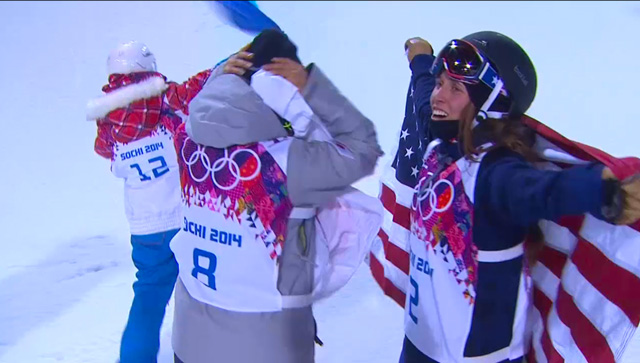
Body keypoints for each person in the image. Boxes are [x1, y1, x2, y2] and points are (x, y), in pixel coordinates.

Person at [399, 31, 640, 362]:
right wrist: (421, 60)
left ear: (491, 105)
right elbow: (423, 94)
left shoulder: (494, 171)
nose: (438, 96)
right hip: (419, 345)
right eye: (441, 84)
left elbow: (543, 191)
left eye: (456, 89)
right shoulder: (441, 145)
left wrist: (604, 189)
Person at [168, 29, 383, 363]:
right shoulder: (290, 162)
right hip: (266, 344)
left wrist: (220, 75)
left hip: (190, 334)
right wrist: (308, 87)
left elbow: (205, 105)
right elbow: (362, 147)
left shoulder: (186, 139)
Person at [86, 40, 212, 363]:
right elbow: (201, 87)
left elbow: (106, 155)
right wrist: (236, 60)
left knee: (148, 299)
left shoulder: (108, 125)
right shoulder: (166, 102)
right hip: (186, 220)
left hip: (145, 227)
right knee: (201, 295)